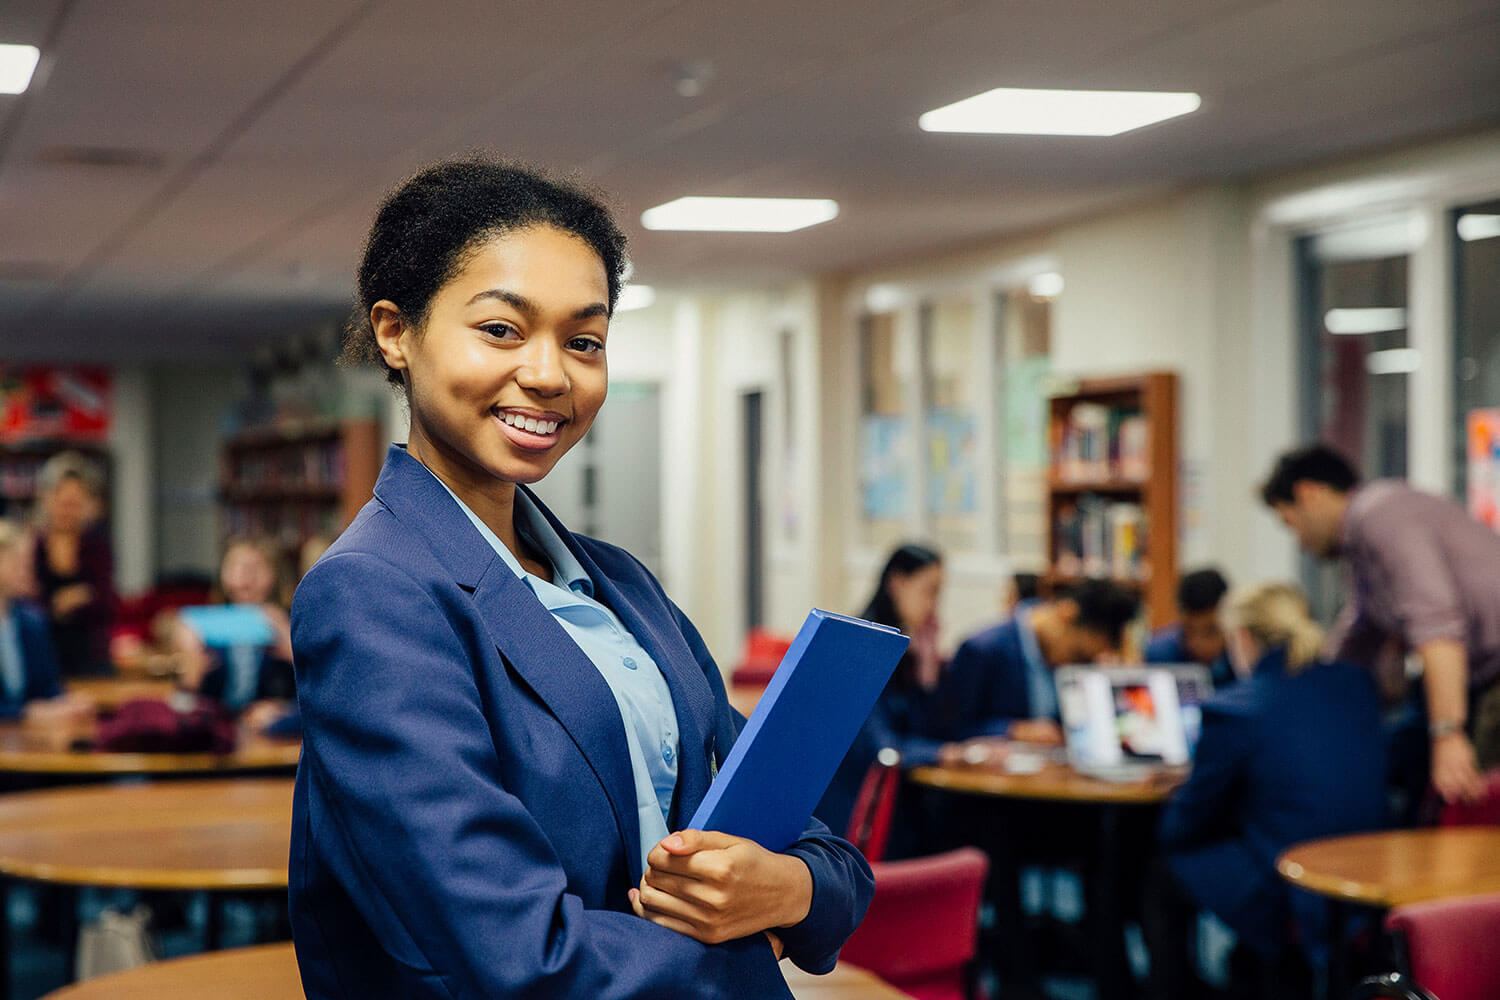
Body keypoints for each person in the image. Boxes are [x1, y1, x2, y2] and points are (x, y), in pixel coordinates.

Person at [288, 158, 872, 999]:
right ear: (395, 332)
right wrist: (756, 944)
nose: (550, 374)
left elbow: (824, 852)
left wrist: (790, 889)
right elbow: (514, 957)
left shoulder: (624, 587)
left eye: (584, 340)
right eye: (500, 330)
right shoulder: (374, 593)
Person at [1144, 583, 1386, 999]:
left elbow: (1184, 826)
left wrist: (1187, 791)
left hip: (1293, 883)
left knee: (1164, 869)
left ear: (1243, 638)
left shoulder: (1234, 708)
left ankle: (1174, 988)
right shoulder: (1355, 683)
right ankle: (1252, 965)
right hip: (1369, 868)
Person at [1261, 443, 1500, 803]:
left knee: (1467, 806)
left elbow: (1436, 624)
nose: (1299, 543)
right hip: (1483, 681)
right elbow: (1358, 634)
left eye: (1289, 522)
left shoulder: (1379, 515)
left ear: (1308, 494)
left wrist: (1447, 734)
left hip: (1492, 678)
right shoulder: (1361, 544)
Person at [816, 543, 945, 854]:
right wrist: (946, 753)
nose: (934, 606)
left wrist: (929, 671)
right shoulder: (865, 648)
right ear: (898, 583)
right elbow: (882, 748)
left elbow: (922, 730)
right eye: (930, 591)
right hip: (853, 805)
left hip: (889, 793)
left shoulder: (910, 648)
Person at [935, 579, 1140, 746]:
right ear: (1067, 613)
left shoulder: (1075, 658)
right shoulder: (983, 650)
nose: (1078, 664)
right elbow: (951, 729)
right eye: (1079, 655)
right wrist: (1013, 730)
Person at [173, 537, 296, 730]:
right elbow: (181, 707)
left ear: (275, 575)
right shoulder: (202, 627)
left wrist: (291, 648)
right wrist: (190, 677)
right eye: (235, 567)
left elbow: (319, 692)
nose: (245, 577)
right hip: (214, 731)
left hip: (273, 732)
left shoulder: (290, 624)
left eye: (255, 568)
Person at [31, 452, 115, 677]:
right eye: (63, 504)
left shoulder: (96, 544)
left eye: (75, 505)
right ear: (48, 499)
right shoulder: (34, 546)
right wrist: (76, 597)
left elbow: (107, 600)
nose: (68, 512)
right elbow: (29, 604)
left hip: (91, 655)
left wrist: (67, 602)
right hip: (46, 653)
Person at [0, 519, 92, 722]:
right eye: (16, 560)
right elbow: (31, 709)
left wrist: (66, 702)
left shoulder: (33, 621)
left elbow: (48, 689)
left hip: (29, 741)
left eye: (28, 561)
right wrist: (25, 713)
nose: (27, 569)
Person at [1145, 567, 1235, 688]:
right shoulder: (1159, 656)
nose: (1199, 644)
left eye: (1210, 631)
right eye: (1189, 630)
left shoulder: (1244, 659)